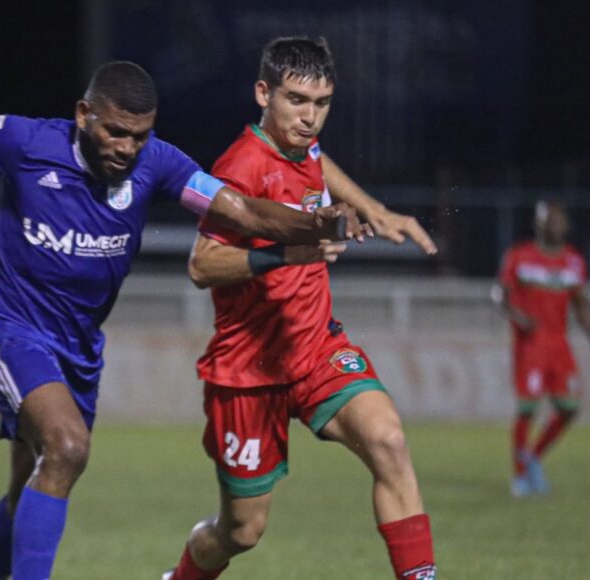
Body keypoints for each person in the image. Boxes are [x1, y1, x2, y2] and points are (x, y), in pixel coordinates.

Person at [0, 61, 362, 580]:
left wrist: (314, 223)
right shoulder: (26, 142)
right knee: (66, 449)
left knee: (27, 491)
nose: (127, 148)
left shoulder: (159, 162)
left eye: (139, 136)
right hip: (11, 329)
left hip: (79, 351)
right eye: (116, 132)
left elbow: (241, 210)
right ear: (84, 114)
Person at [164, 37, 438, 580]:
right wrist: (289, 253)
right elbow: (202, 264)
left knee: (388, 440)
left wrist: (372, 208)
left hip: (315, 349)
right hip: (248, 370)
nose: (310, 118)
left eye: (322, 103)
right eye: (296, 100)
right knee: (241, 531)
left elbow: (317, 160)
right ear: (263, 93)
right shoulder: (240, 167)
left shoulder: (302, 144)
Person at [493, 199, 590, 498]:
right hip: (530, 345)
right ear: (539, 225)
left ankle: (532, 459)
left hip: (560, 344)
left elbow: (581, 308)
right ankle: (520, 477)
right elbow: (500, 297)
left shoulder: (574, 261)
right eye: (550, 220)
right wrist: (519, 317)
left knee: (570, 409)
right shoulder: (519, 256)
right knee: (528, 409)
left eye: (560, 220)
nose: (556, 225)